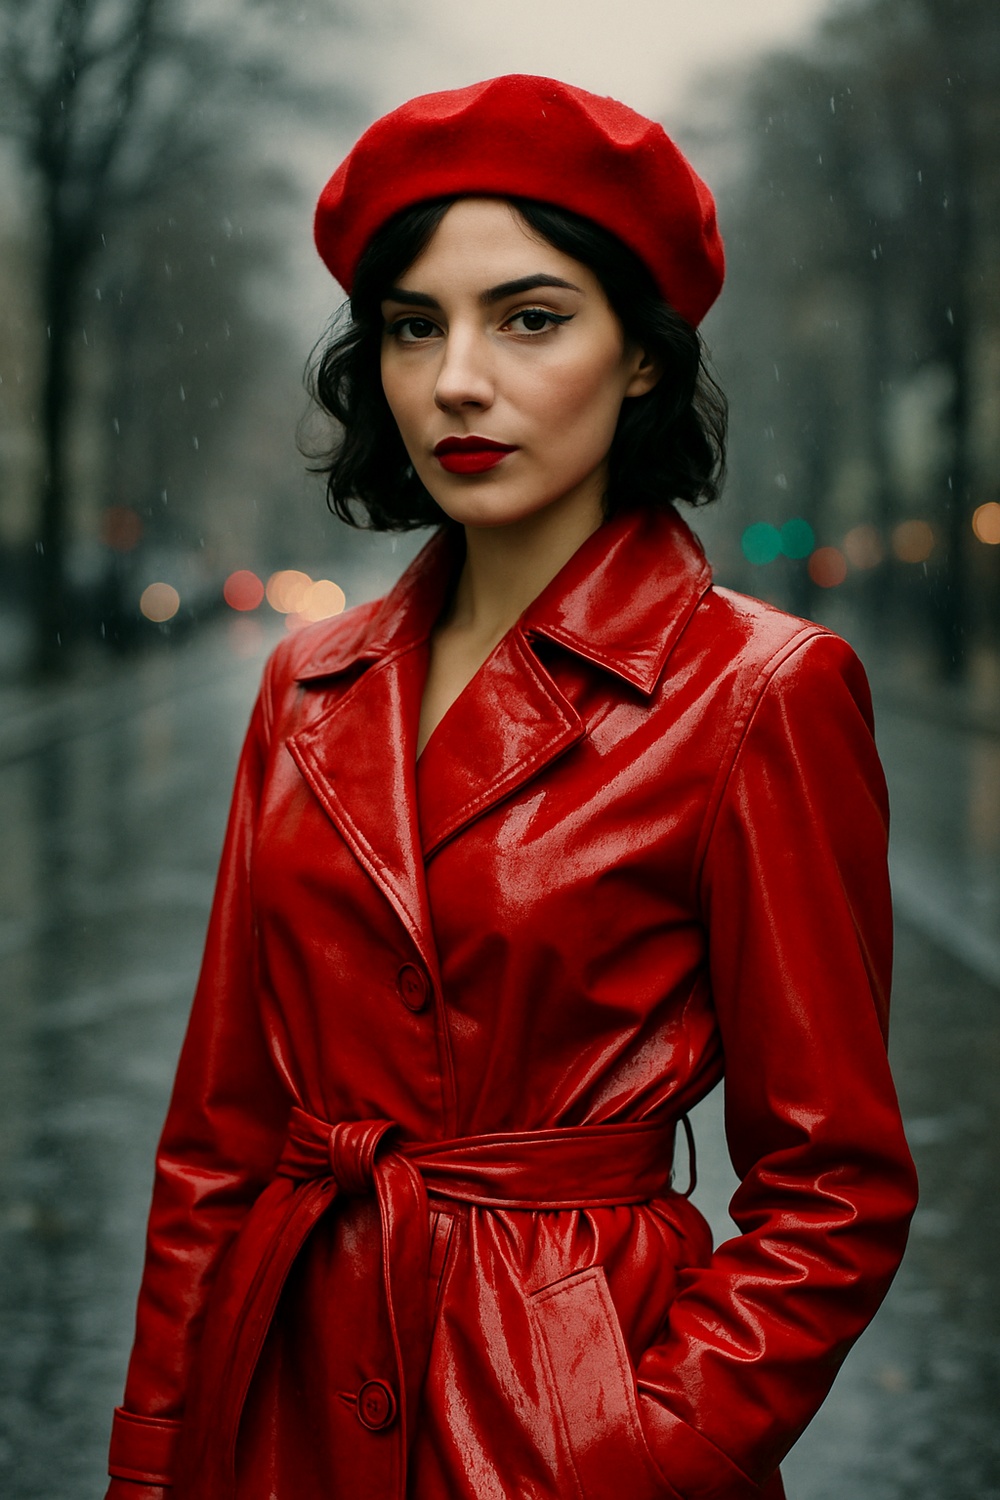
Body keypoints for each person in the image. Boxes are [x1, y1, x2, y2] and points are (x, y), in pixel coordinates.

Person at [105, 75, 918, 1500]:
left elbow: (832, 1192)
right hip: (279, 1401)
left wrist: (641, 1451)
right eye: (414, 327)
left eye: (530, 318)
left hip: (560, 1418)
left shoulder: (758, 691)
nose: (457, 380)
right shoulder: (304, 685)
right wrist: (159, 1456)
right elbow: (215, 1144)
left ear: (643, 356)